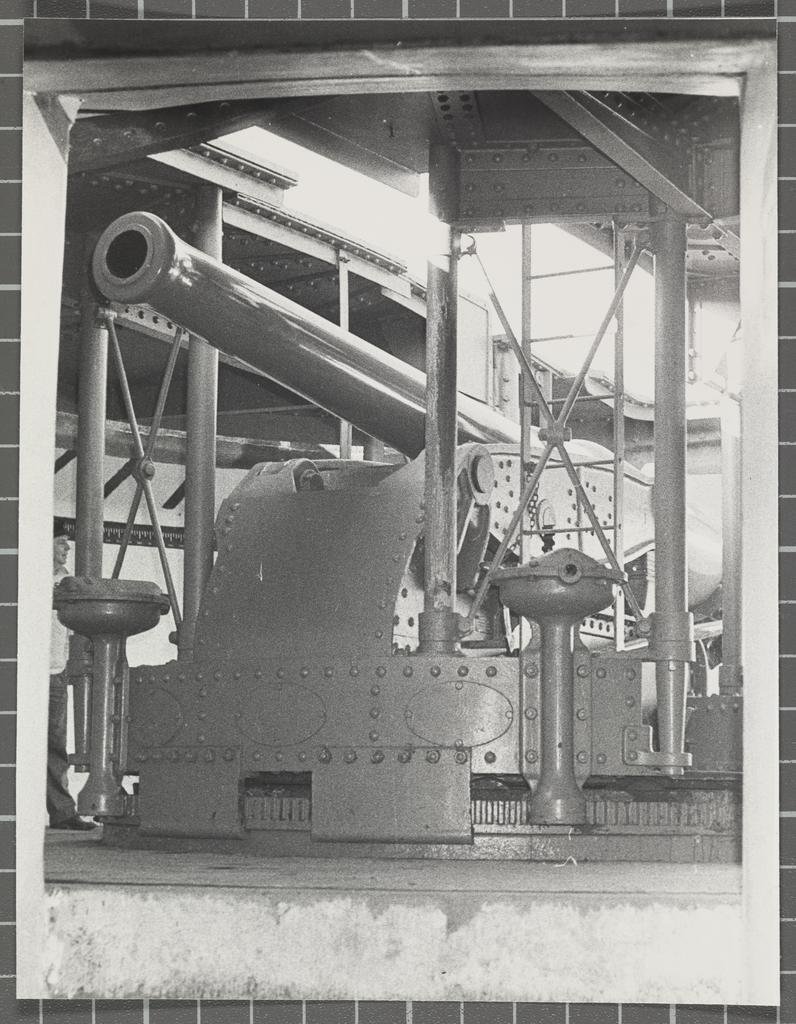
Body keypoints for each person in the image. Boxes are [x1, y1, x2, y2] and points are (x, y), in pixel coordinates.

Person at [48, 520, 95, 831]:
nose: (67, 548)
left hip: (54, 674)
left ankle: (63, 813)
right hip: (22, 672)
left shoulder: (67, 584)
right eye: (62, 541)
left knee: (54, 746)